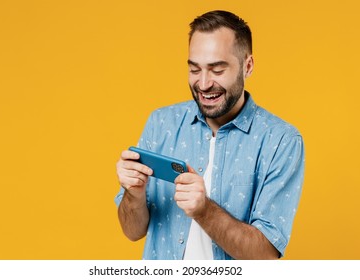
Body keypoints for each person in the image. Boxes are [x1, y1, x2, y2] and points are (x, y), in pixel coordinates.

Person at [115, 10, 305, 260]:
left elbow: (266, 256)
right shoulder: (161, 123)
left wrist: (204, 209)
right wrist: (134, 194)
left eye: (217, 70)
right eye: (195, 69)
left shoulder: (280, 141)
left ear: (247, 66)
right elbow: (132, 231)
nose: (203, 84)